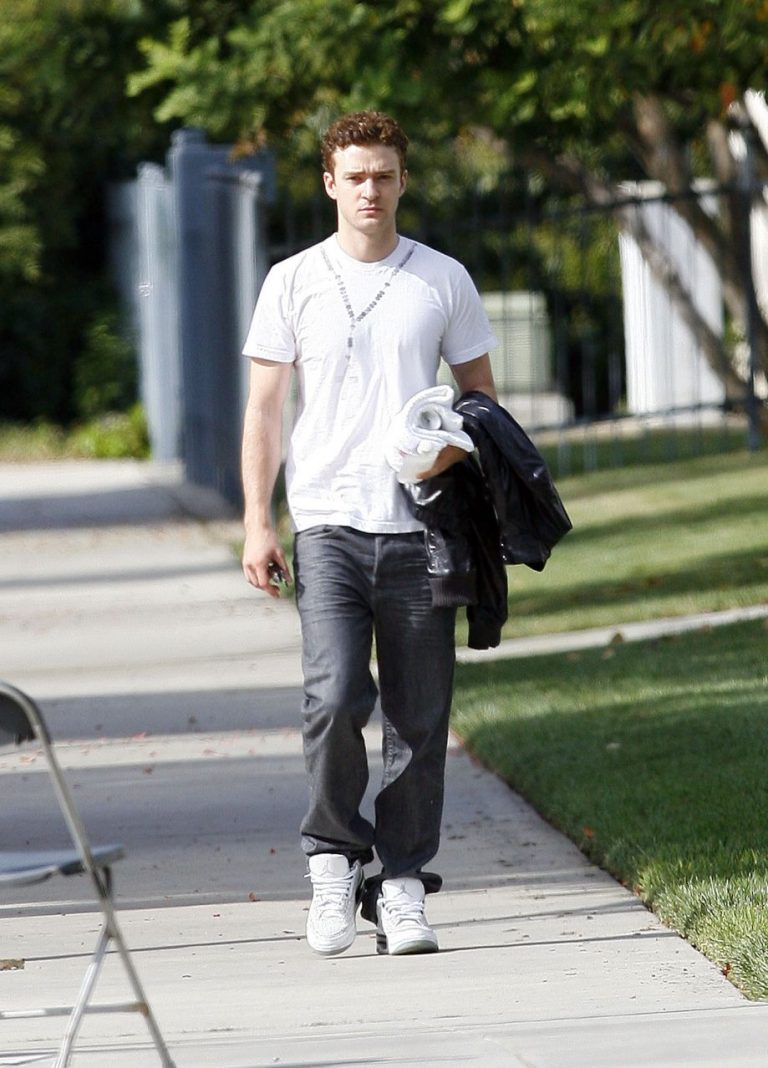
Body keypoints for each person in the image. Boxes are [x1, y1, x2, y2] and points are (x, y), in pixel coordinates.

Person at [240, 111, 497, 957]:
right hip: (326, 522)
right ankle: (333, 862)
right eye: (355, 176)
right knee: (335, 695)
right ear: (330, 183)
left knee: (420, 717)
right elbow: (265, 411)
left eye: (384, 175)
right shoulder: (293, 281)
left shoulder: (442, 279)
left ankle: (403, 884)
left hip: (420, 527)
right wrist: (257, 520)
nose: (370, 190)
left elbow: (482, 403)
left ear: (403, 180)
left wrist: (448, 451)